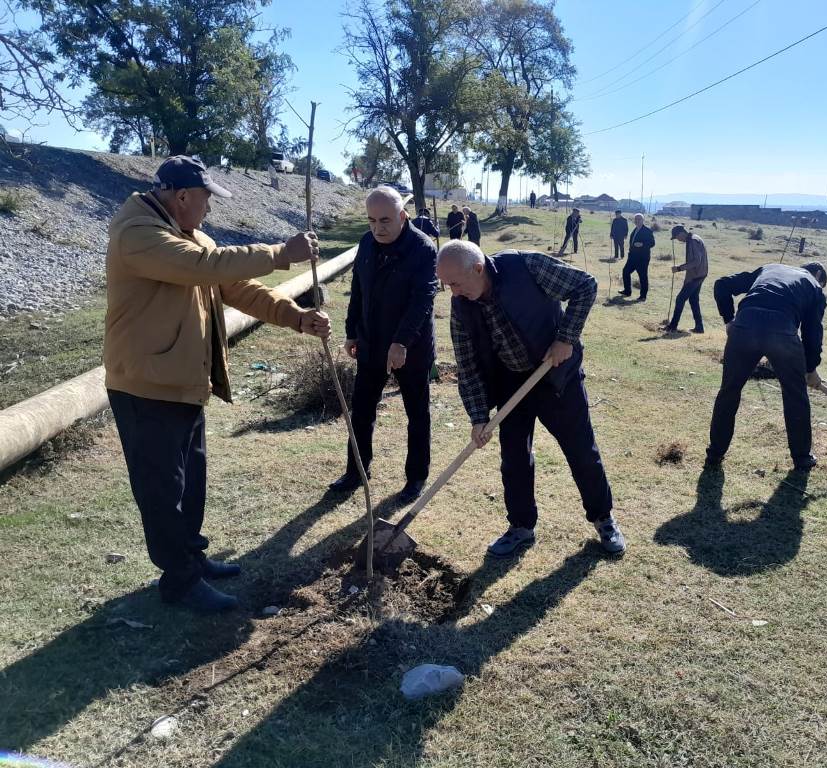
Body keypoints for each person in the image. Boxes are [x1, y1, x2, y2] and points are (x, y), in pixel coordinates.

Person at [104, 155, 328, 614]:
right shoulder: (138, 235)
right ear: (182, 196)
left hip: (184, 382)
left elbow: (241, 289)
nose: (210, 209)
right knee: (163, 490)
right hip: (145, 386)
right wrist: (281, 254)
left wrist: (296, 317)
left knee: (191, 482)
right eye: (206, 198)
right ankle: (179, 582)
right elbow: (204, 266)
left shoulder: (191, 235)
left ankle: (193, 558)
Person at [436, 241, 626, 557]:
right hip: (509, 381)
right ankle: (521, 526)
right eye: (446, 285)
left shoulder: (526, 268)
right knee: (514, 459)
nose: (452, 292)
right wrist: (478, 415)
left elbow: (584, 286)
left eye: (455, 283)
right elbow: (467, 364)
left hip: (554, 375)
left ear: (478, 269)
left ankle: (603, 519)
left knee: (581, 450)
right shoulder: (462, 306)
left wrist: (566, 339)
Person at [329, 187, 439, 502]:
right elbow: (358, 290)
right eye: (372, 220)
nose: (378, 228)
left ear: (403, 216)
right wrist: (351, 332)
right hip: (371, 343)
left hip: (411, 348)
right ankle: (356, 472)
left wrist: (401, 342)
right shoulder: (366, 243)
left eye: (386, 220)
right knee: (361, 411)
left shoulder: (423, 249)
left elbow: (423, 300)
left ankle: (416, 478)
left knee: (417, 414)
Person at [707, 262, 827, 471]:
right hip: (782, 329)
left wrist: (729, 320)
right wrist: (811, 369)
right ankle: (802, 458)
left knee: (729, 390)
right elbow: (812, 333)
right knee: (795, 394)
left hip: (745, 323)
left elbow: (722, 284)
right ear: (817, 275)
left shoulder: (769, 269)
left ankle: (714, 454)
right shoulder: (814, 286)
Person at [666, 224, 708, 333]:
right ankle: (699, 327)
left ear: (681, 233)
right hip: (699, 274)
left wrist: (679, 268)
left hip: (696, 275)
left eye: (677, 237)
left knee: (680, 299)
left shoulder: (693, 241)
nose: (678, 240)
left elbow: (696, 261)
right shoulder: (693, 239)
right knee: (693, 300)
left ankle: (672, 327)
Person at [619, 213, 655, 300]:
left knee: (642, 276)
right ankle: (627, 291)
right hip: (632, 257)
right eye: (636, 219)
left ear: (643, 220)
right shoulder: (635, 230)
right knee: (625, 272)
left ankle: (643, 296)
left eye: (639, 219)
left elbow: (652, 243)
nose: (637, 221)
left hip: (642, 258)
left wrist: (642, 244)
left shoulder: (647, 231)